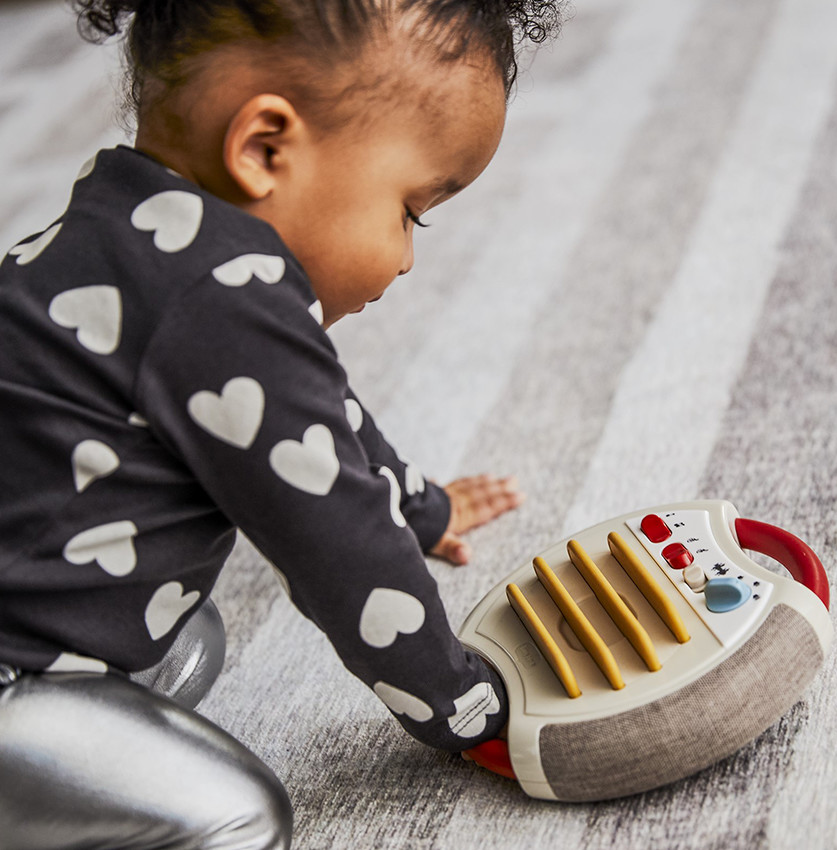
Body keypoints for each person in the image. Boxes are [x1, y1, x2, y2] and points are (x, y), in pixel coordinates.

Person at [0, 0, 563, 847]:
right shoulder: (220, 303)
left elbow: (317, 424)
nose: (409, 256)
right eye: (411, 210)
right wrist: (470, 708)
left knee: (188, 640)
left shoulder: (127, 224)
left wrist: (423, 508)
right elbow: (343, 553)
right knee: (239, 818)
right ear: (265, 149)